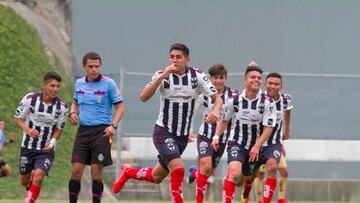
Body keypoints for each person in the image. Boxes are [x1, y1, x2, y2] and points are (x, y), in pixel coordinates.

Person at [112, 43, 222, 203]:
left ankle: (128, 172)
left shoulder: (197, 76)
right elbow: (143, 97)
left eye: (179, 57)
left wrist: (216, 111)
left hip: (182, 137)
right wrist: (161, 77)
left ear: (187, 59)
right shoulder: (162, 75)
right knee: (178, 169)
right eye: (172, 57)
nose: (174, 60)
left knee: (156, 177)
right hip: (164, 132)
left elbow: (217, 98)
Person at [211, 61, 276, 203]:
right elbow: (224, 120)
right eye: (253, 77)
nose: (257, 80)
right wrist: (216, 136)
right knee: (234, 174)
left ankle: (237, 180)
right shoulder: (234, 101)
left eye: (259, 78)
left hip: (256, 146)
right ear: (245, 80)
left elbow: (269, 128)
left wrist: (257, 146)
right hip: (237, 143)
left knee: (241, 180)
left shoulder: (268, 102)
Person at [68, 52, 124, 203]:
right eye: (90, 66)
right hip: (83, 132)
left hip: (102, 132)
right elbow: (75, 102)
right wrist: (73, 112)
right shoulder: (79, 83)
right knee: (76, 171)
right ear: (84, 67)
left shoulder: (109, 83)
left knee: (96, 173)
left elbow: (120, 107)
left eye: (97, 66)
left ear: (100, 66)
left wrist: (113, 125)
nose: (94, 69)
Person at [187, 63, 238, 203]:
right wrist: (189, 130)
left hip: (223, 138)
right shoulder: (203, 94)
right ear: (210, 79)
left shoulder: (234, 95)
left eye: (221, 78)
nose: (218, 81)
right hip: (205, 135)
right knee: (206, 167)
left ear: (226, 79)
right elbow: (191, 112)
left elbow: (239, 116)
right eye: (215, 78)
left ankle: (194, 173)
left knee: (207, 171)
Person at [14, 72, 68, 203]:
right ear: (44, 86)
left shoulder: (62, 106)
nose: (55, 89)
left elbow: (59, 129)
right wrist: (27, 129)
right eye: (52, 86)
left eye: (58, 86)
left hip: (46, 150)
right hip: (27, 147)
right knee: (24, 181)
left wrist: (52, 141)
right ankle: (30, 182)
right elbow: (17, 118)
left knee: (39, 175)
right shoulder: (30, 99)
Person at [241, 72, 293, 203]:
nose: (273, 86)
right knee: (245, 177)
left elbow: (288, 111)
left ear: (281, 86)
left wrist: (287, 129)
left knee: (273, 167)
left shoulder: (286, 100)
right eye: (270, 83)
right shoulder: (258, 99)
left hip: (273, 144)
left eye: (276, 84)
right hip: (255, 144)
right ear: (265, 85)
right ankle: (247, 184)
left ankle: (268, 200)